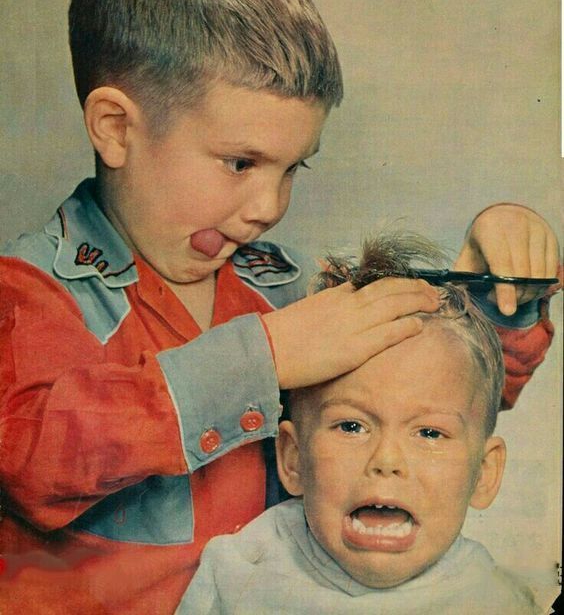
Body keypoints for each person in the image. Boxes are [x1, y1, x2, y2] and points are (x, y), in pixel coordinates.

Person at [0, 0, 558, 613]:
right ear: (116, 128)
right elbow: (28, 459)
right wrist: (262, 362)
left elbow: (440, 386)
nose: (269, 206)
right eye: (241, 163)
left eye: (292, 168)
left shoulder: (284, 288)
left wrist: (502, 293)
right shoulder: (31, 291)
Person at [183, 234, 544, 614]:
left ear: (484, 473)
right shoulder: (237, 576)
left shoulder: (499, 602)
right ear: (293, 459)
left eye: (429, 432)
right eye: (352, 426)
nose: (387, 459)